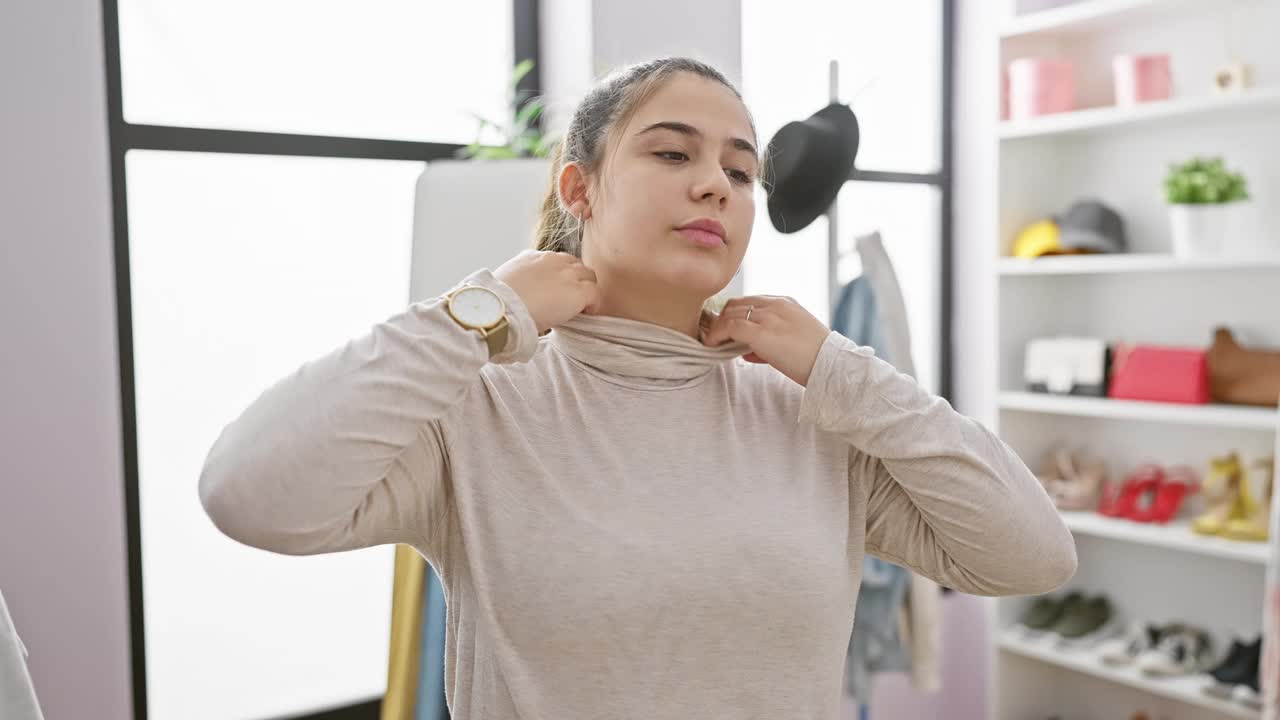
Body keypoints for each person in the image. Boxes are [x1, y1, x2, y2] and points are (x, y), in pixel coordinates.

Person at [198, 56, 1076, 719]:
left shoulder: (809, 411)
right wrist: (479, 313)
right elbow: (249, 495)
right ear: (578, 189)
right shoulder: (480, 405)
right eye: (672, 152)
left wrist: (843, 368)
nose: (715, 185)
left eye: (740, 171)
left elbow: (1033, 556)